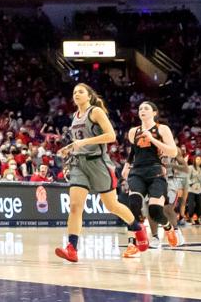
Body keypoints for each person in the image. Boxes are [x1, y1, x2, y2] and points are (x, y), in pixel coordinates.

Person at [53, 83, 139, 262]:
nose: (76, 94)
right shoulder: (74, 116)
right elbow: (81, 141)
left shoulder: (95, 112)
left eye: (81, 91)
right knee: (75, 207)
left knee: (112, 206)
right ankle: (72, 248)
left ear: (89, 96)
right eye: (74, 91)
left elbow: (111, 136)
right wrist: (69, 148)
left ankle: (137, 228)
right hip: (79, 165)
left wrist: (82, 144)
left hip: (98, 163)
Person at [121, 101, 181, 257]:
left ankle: (168, 228)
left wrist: (152, 139)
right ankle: (132, 244)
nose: (142, 110)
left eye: (146, 108)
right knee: (133, 205)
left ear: (154, 112)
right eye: (140, 108)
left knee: (155, 211)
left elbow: (173, 152)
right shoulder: (133, 131)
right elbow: (134, 151)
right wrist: (127, 165)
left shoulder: (162, 129)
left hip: (156, 172)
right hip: (137, 172)